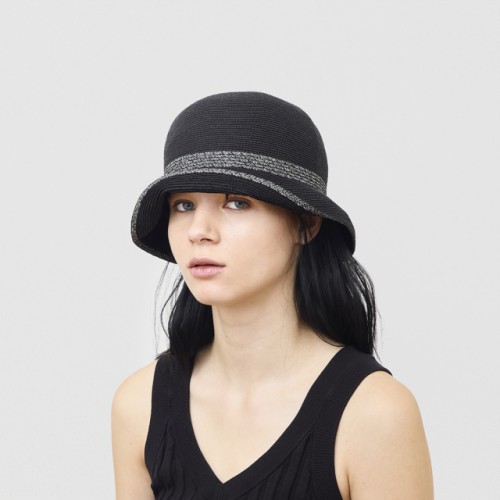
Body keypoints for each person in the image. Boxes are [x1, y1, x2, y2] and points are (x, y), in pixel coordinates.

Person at [111, 91, 434, 500]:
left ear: (306, 224)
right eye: (184, 205)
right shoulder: (140, 404)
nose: (199, 231)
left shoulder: (374, 414)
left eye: (237, 203)